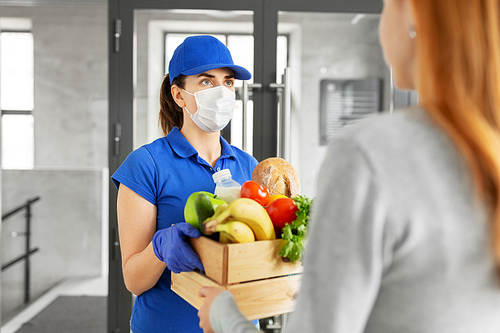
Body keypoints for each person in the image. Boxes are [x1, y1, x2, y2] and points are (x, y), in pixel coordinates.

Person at [197, 0, 500, 332]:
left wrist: (222, 314)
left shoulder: (370, 154)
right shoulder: (486, 148)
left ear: (411, 13)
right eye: (207, 81)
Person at [111, 35, 259, 333]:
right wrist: (161, 247)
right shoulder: (146, 164)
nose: (221, 91)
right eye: (206, 82)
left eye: (228, 82)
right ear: (179, 95)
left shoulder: (249, 166)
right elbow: (134, 281)